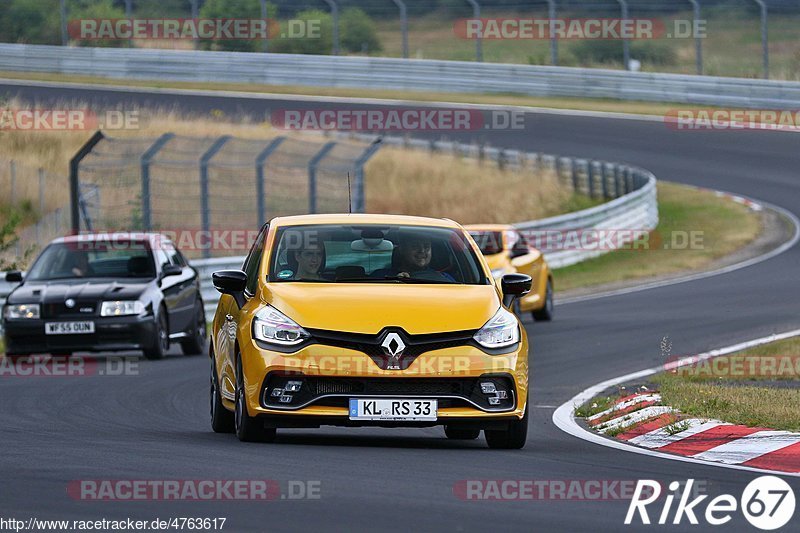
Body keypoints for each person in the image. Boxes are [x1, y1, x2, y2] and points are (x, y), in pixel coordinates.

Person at [373, 234, 454, 282]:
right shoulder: (380, 276)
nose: (422, 251)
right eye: (415, 246)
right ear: (402, 249)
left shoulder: (444, 278)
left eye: (426, 247)